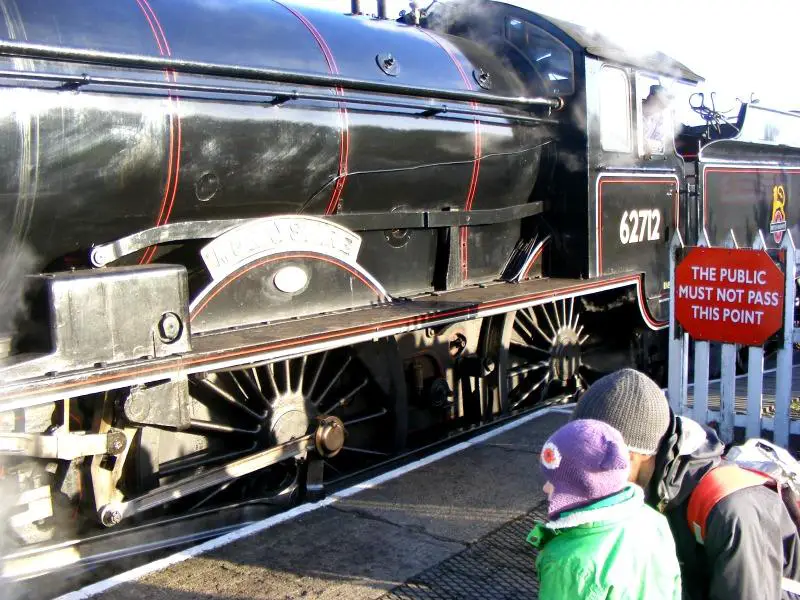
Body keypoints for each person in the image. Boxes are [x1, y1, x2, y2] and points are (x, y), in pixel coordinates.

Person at [572, 368, 800, 600]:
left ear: (632, 455)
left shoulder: (733, 511)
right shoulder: (649, 486)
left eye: (594, 460)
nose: (586, 476)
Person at [527, 418, 682, 599]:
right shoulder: (654, 521)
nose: (545, 487)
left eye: (554, 481)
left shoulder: (567, 562)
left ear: (581, 488)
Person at [642, 84, 672, 155]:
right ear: (651, 97)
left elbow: (661, 143)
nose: (661, 108)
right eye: (659, 102)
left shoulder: (659, 117)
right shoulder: (631, 110)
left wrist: (647, 143)